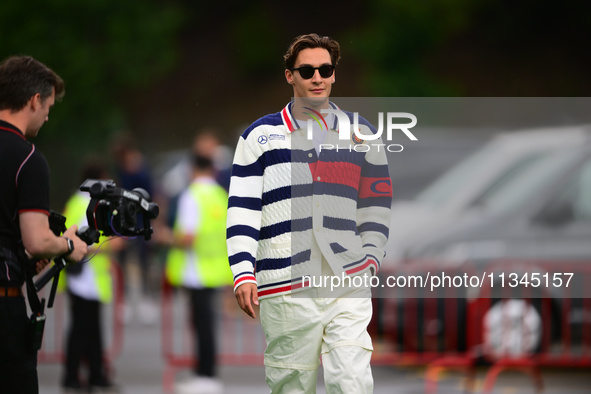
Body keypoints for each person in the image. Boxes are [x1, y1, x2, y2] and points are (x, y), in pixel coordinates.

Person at [226, 34, 392, 393]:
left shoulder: (361, 134)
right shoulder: (259, 137)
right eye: (307, 70)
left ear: (334, 75)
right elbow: (243, 208)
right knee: (291, 386)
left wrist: (371, 259)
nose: (317, 77)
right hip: (284, 285)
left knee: (352, 382)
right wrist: (242, 272)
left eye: (325, 69)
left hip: (346, 281)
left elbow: (375, 205)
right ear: (290, 76)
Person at [0, 55, 88, 394]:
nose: (49, 115)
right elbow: (37, 240)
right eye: (48, 105)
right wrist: (69, 245)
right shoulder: (27, 157)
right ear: (34, 100)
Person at [163, 153, 234, 394]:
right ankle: (206, 376)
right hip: (215, 270)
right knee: (207, 326)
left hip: (196, 271)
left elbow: (188, 237)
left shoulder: (192, 195)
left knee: (202, 326)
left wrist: (166, 237)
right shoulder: (220, 195)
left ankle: (205, 377)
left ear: (193, 169)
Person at [60, 158, 122, 393]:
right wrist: (107, 246)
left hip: (88, 277)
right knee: (81, 330)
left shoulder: (80, 201)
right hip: (84, 277)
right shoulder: (82, 203)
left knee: (90, 329)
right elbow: (78, 240)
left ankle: (95, 374)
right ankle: (72, 376)